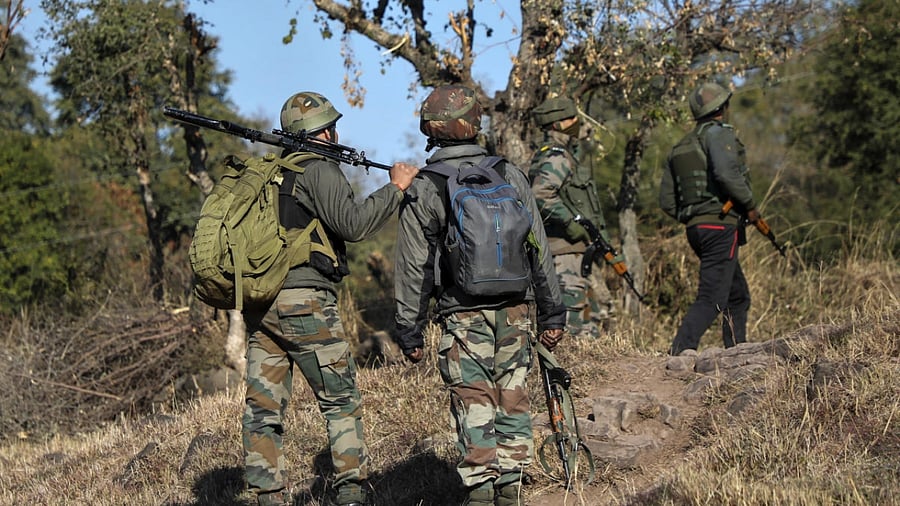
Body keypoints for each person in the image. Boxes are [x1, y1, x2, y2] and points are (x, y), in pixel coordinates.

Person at [392, 84, 567, 506]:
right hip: (517, 310)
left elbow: (414, 265)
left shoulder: (426, 185)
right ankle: (512, 491)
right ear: (475, 124)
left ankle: (481, 493)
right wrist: (553, 313)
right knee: (513, 394)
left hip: (462, 315)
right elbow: (538, 248)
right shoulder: (508, 174)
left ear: (430, 129)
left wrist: (408, 330)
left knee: (473, 401)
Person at [241, 91, 418, 506]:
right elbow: (354, 225)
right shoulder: (319, 169)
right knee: (340, 399)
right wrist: (394, 189)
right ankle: (351, 493)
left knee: (263, 408)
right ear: (324, 131)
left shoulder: (268, 172)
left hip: (262, 303)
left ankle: (264, 494)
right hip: (304, 300)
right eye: (333, 125)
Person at [659, 81, 759, 356]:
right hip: (720, 227)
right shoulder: (719, 135)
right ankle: (680, 350)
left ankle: (736, 351)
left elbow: (666, 201)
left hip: (696, 229)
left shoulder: (681, 146)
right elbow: (728, 175)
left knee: (737, 295)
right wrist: (750, 206)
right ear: (722, 108)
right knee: (712, 298)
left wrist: (692, 216)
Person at [528, 96, 618, 338]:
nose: (577, 123)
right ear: (558, 124)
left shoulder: (563, 154)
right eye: (572, 119)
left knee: (592, 317)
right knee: (573, 322)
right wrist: (571, 223)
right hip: (563, 252)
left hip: (574, 251)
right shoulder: (556, 156)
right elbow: (541, 193)